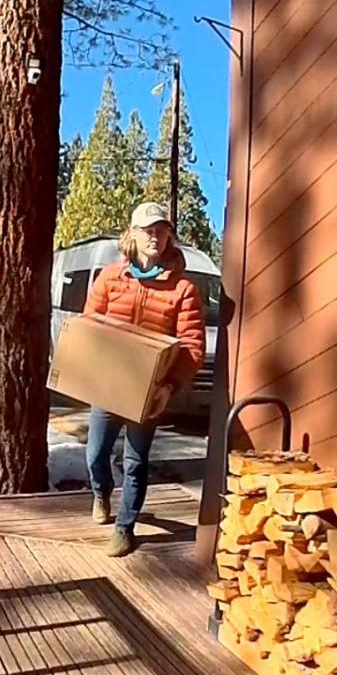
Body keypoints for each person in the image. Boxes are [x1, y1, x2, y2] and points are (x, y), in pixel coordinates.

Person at [84, 202, 206, 557]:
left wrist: (170, 386)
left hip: (150, 392)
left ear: (169, 236)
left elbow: (192, 346)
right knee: (96, 455)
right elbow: (90, 324)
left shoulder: (183, 288)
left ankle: (125, 528)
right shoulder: (110, 276)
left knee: (136, 463)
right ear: (133, 235)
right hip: (108, 384)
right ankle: (100, 492)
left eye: (161, 230)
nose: (155, 237)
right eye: (148, 230)